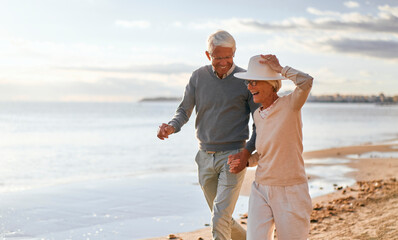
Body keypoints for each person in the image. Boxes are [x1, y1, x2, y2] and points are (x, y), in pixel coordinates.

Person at [157, 30, 259, 240]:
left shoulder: (246, 80)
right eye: (217, 57)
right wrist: (171, 127)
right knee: (221, 217)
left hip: (233, 156)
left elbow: (261, 123)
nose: (223, 62)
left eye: (228, 56)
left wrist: (247, 153)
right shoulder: (198, 77)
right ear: (207, 54)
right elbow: (184, 111)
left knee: (220, 216)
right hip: (204, 157)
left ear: (235, 52)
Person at [228, 54, 314, 240]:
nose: (250, 87)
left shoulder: (291, 104)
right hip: (261, 187)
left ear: (272, 84)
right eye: (249, 83)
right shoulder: (258, 115)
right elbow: (265, 152)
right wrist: (245, 161)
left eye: (255, 82)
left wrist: (280, 68)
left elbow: (306, 82)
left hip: (290, 189)